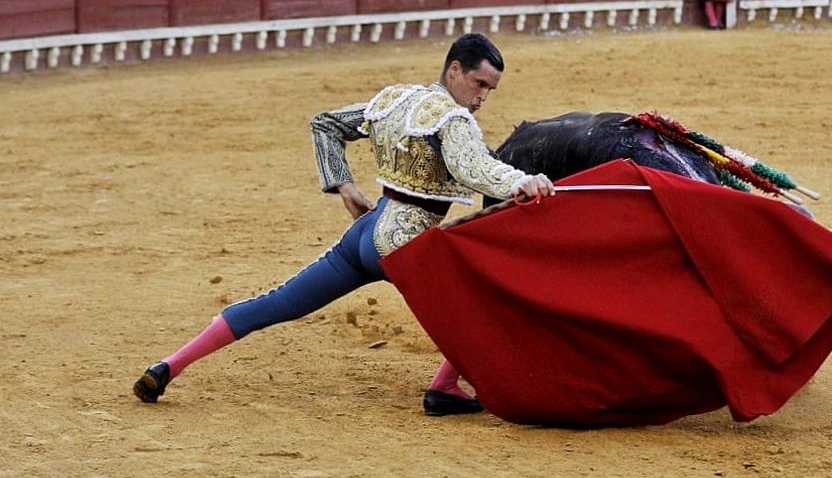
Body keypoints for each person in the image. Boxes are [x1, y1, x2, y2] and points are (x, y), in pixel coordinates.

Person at [133, 34, 555, 416]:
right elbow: (474, 166)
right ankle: (444, 385)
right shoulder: (453, 120)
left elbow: (326, 125)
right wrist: (522, 180)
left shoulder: (394, 99)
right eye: (479, 84)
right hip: (407, 244)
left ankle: (170, 365)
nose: (482, 98)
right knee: (485, 297)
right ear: (455, 69)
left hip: (364, 236)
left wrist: (343, 184)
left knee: (279, 302)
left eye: (490, 91)